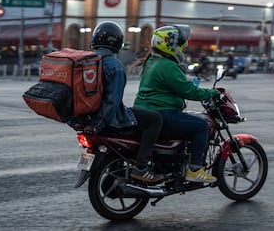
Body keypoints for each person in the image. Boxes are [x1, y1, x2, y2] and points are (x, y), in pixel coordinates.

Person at [71, 21, 164, 183]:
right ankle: (141, 167)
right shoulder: (114, 66)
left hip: (83, 120)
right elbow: (112, 102)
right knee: (155, 119)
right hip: (106, 121)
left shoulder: (83, 62)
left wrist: (76, 122)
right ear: (117, 42)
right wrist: (98, 125)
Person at [134, 25, 219, 183]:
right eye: (181, 45)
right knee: (201, 126)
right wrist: (212, 93)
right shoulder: (167, 65)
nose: (183, 49)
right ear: (170, 45)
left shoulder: (152, 61)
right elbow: (188, 91)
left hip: (147, 112)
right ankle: (194, 169)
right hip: (161, 113)